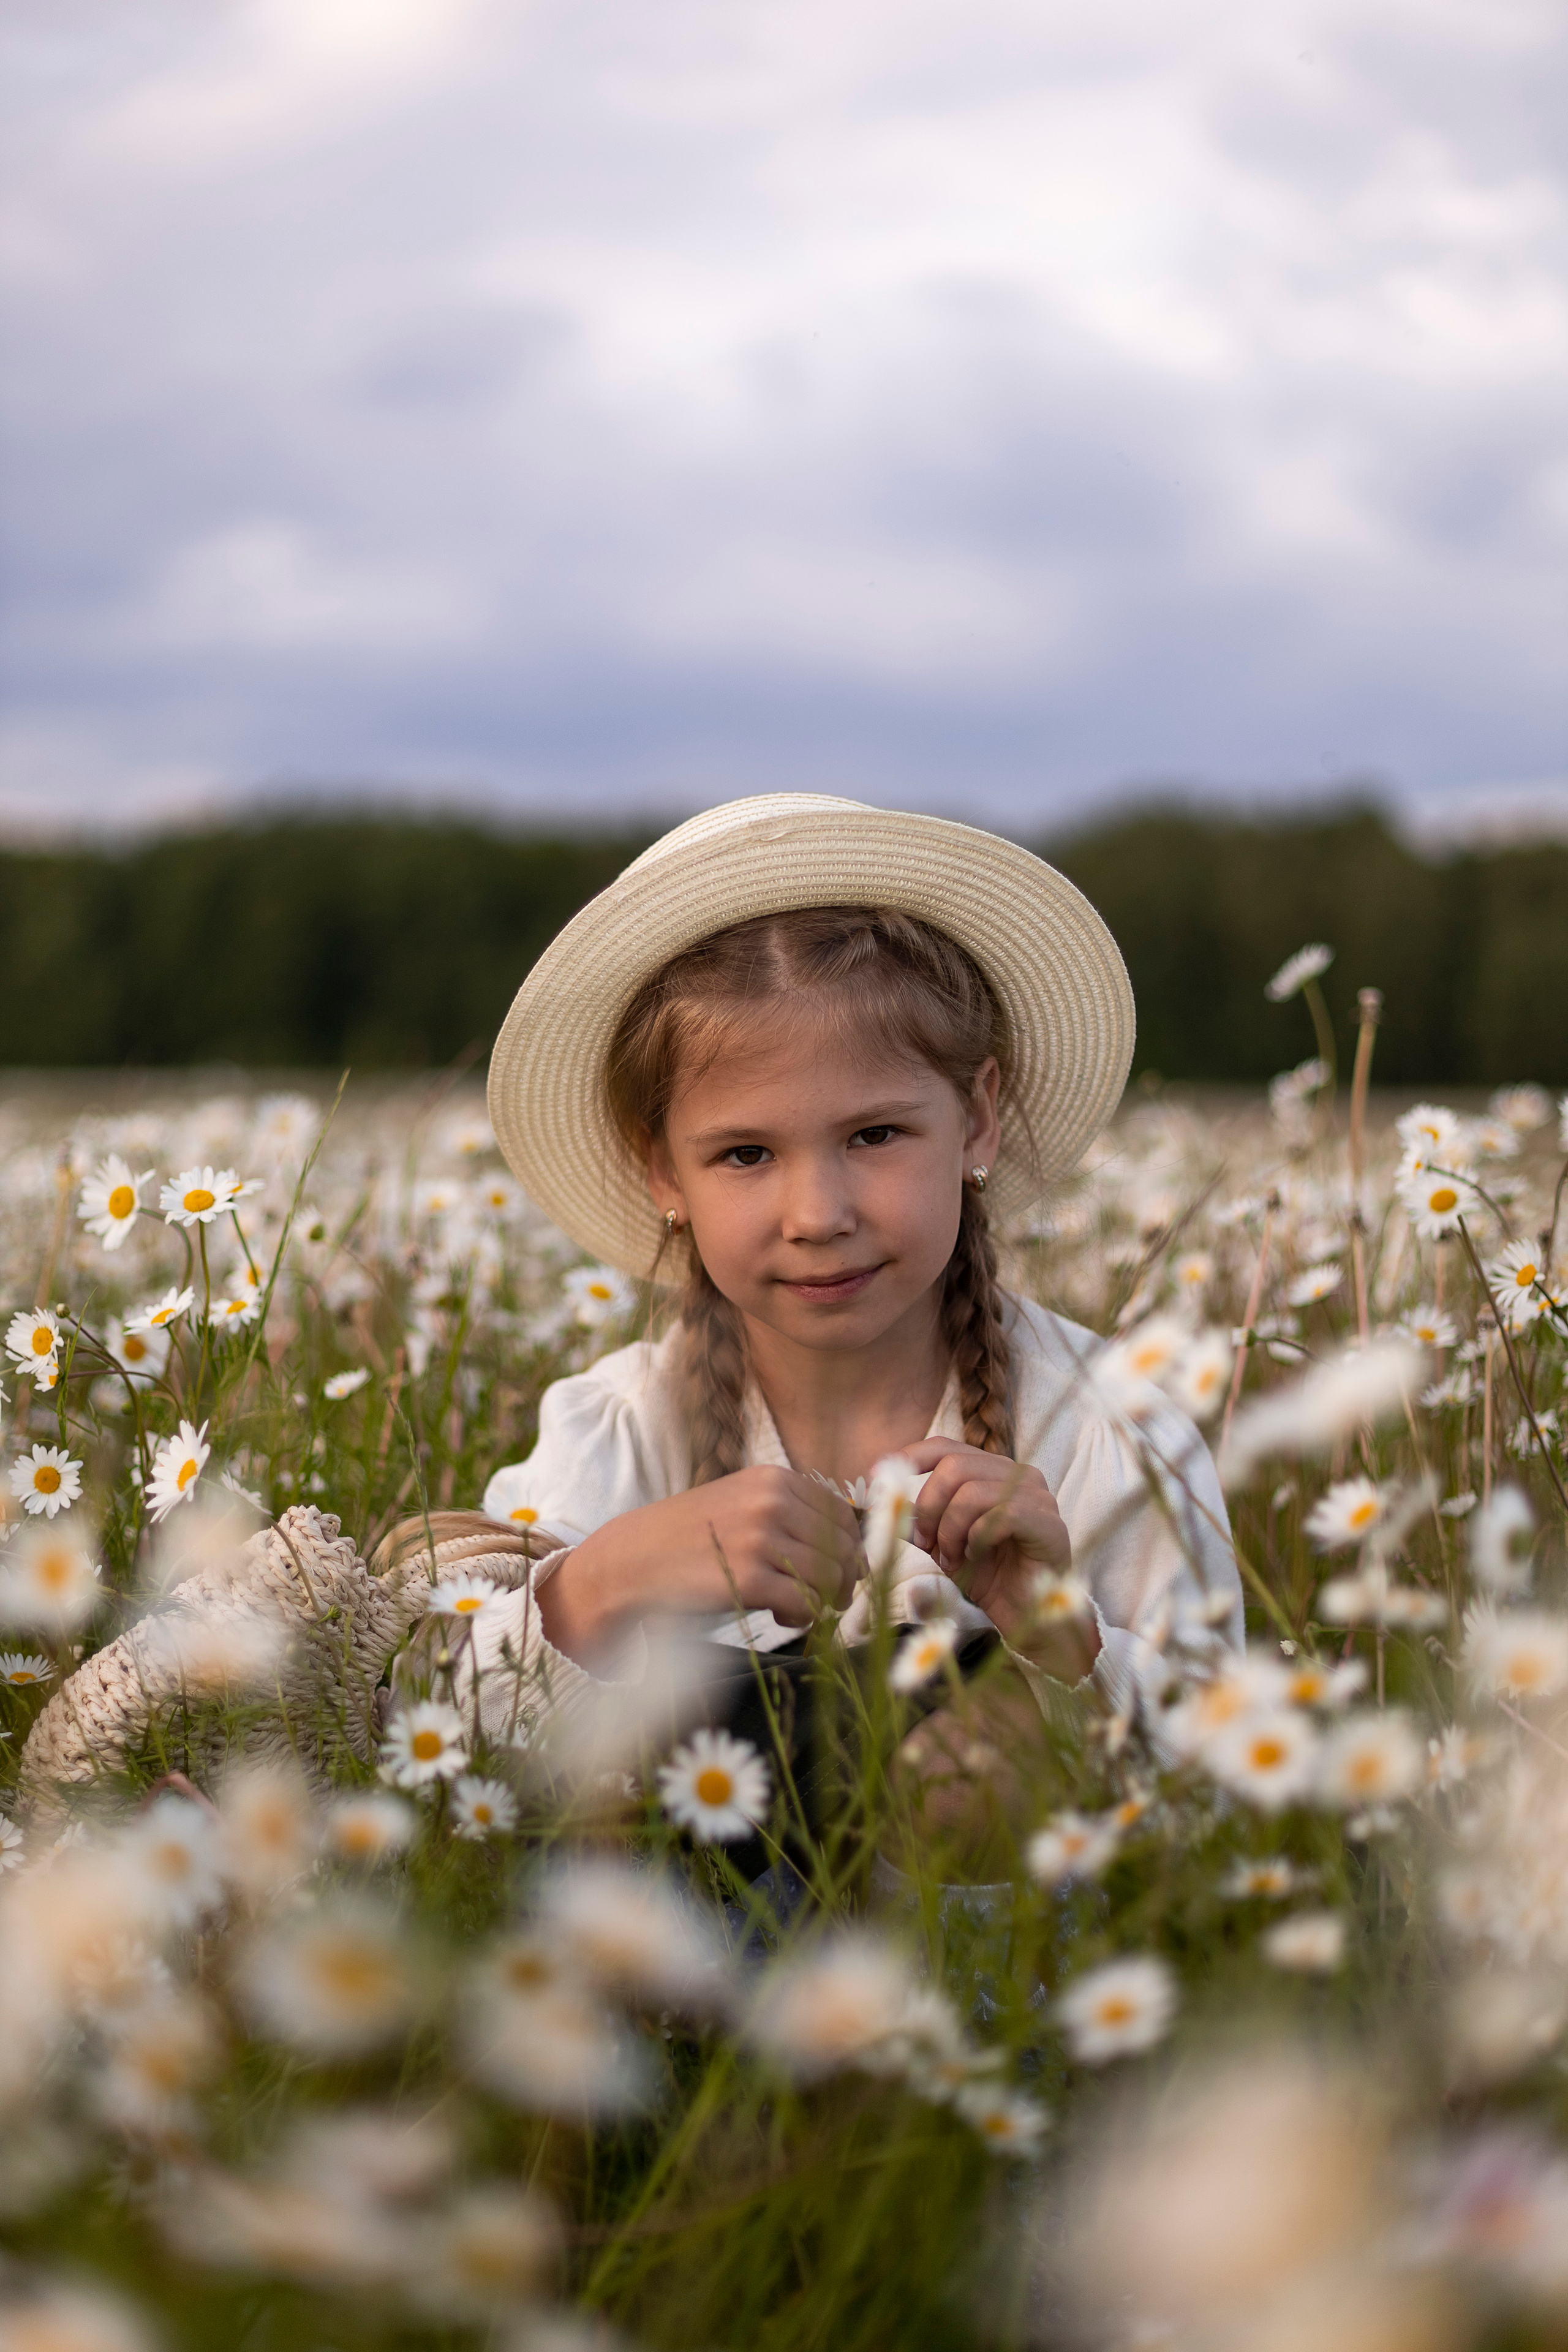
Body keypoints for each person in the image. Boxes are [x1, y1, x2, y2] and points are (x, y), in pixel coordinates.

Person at [395, 794, 1242, 1837]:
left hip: (1014, 1973)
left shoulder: (1113, 1429)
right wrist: (604, 1583)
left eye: (876, 1135)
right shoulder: (620, 1428)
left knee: (972, 1768)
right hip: (671, 1963)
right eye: (746, 1154)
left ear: (975, 1119)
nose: (819, 1215)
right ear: (663, 1169)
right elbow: (434, 1748)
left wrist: (1058, 1634)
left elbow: (1234, 1787)